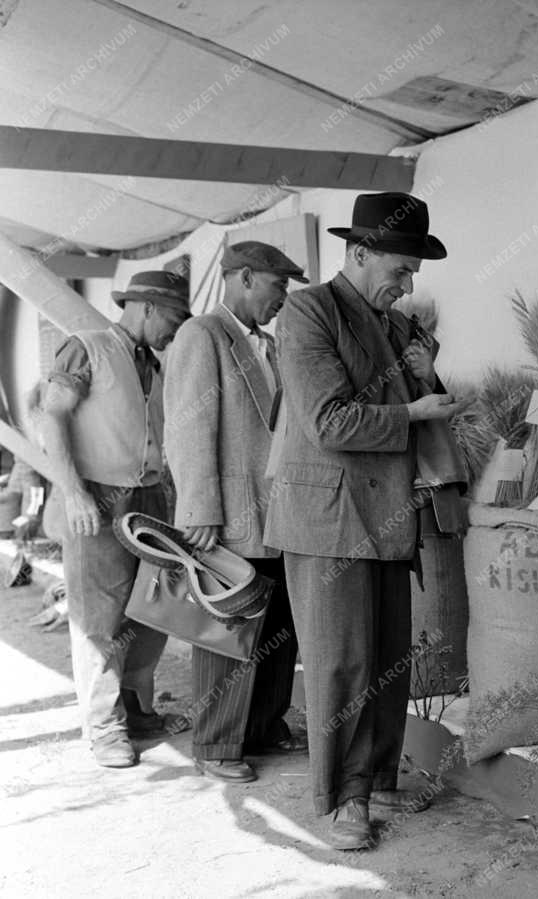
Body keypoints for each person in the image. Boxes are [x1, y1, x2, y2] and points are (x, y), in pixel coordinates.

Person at [264, 192, 461, 850]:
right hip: (327, 517)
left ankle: (373, 776)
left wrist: (426, 369)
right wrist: (414, 412)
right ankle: (345, 801)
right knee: (342, 662)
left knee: (386, 661)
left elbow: (426, 394)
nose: (405, 285)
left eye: (411, 276)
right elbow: (330, 421)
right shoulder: (306, 311)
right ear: (358, 253)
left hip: (387, 513)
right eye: (399, 270)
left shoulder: (400, 327)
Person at [163, 241, 308, 782]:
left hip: (275, 511)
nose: (284, 296)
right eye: (278, 284)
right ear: (244, 278)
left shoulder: (266, 344)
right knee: (229, 631)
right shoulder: (201, 335)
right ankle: (217, 745)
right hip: (229, 513)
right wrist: (199, 509)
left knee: (277, 626)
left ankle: (263, 727)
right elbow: (186, 428)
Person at [39, 270, 192, 768]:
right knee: (99, 619)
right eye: (172, 316)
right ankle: (103, 730)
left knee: (151, 612)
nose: (176, 329)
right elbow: (52, 416)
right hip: (97, 499)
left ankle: (136, 710)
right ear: (146, 307)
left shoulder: (153, 362)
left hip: (149, 496)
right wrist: (74, 493)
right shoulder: (87, 346)